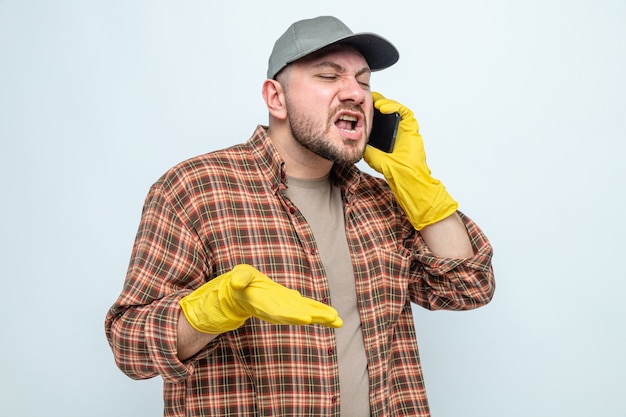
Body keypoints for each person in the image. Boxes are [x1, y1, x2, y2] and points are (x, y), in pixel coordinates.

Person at [105, 15, 495, 417]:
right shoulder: (194, 189)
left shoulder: (383, 199)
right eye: (329, 76)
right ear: (276, 98)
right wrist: (213, 309)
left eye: (364, 81)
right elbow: (129, 346)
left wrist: (418, 183)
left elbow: (468, 286)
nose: (355, 94)